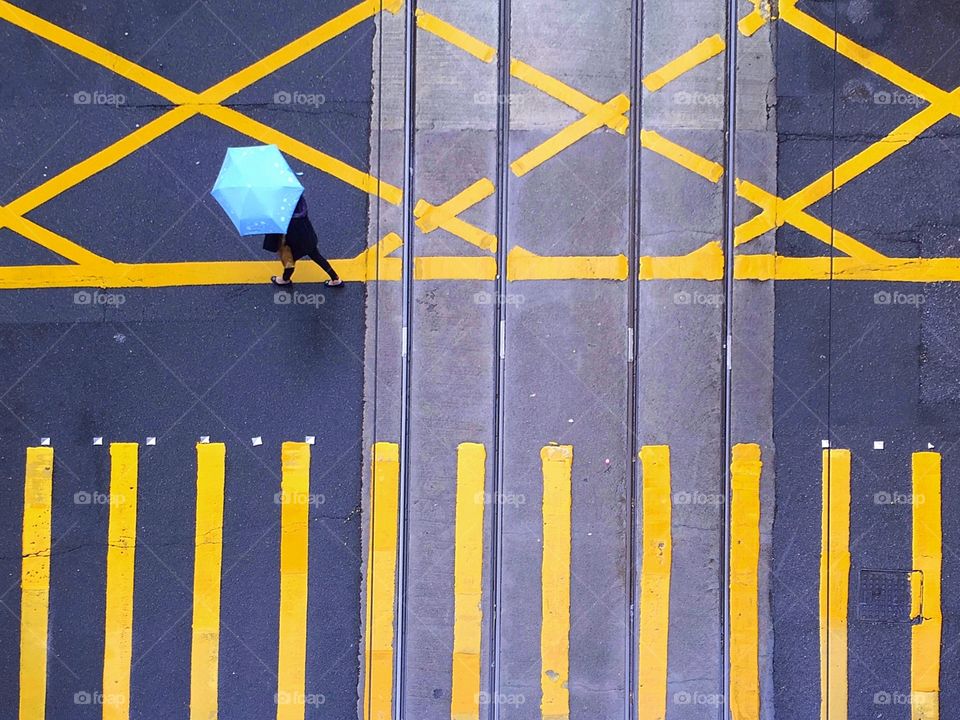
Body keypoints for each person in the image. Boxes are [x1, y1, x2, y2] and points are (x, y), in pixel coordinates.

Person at [263, 195, 342, 287]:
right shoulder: (296, 196)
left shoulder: (279, 205)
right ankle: (335, 278)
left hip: (292, 236)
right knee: (316, 255)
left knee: (289, 259)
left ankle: (285, 279)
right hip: (306, 232)